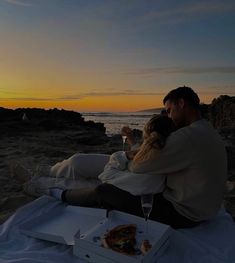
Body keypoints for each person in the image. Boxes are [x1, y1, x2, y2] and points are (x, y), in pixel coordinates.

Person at [13, 86, 228, 229]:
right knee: (91, 164)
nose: (168, 116)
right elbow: (153, 157)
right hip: (186, 198)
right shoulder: (203, 131)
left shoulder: (188, 136)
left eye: (170, 110)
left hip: (182, 213)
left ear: (182, 104)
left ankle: (45, 188)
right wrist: (133, 146)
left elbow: (140, 167)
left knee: (104, 191)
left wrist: (128, 153)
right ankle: (48, 172)